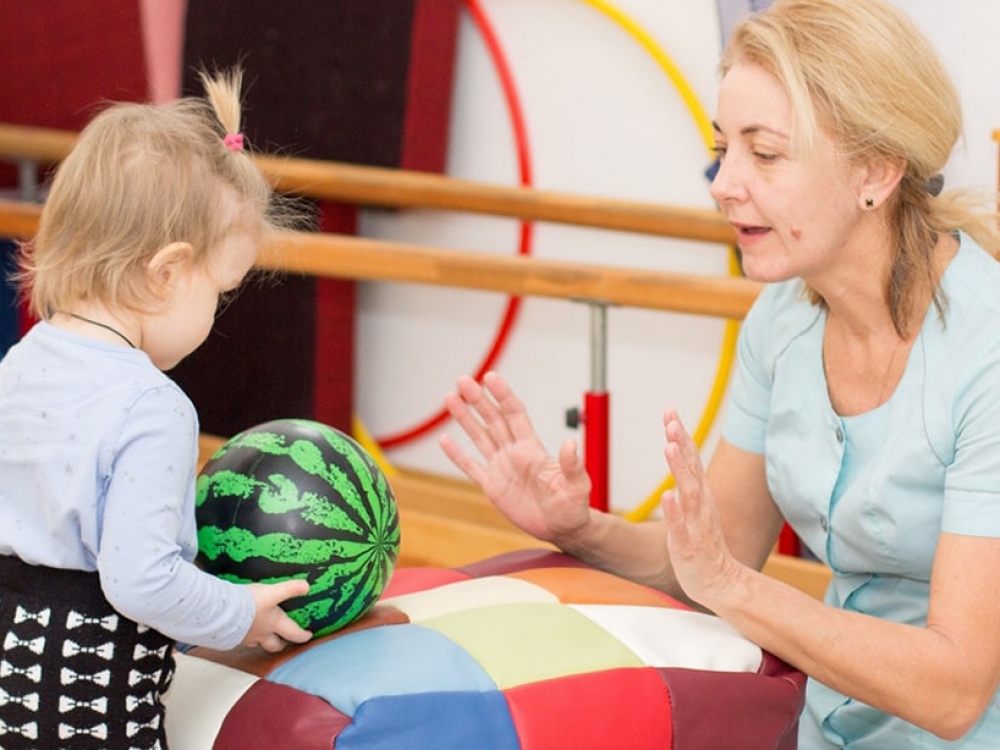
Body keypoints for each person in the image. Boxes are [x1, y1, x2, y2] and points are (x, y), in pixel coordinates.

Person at [440, 0, 1000, 746]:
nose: (722, 183)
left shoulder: (987, 350)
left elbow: (956, 688)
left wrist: (733, 586)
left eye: (764, 153)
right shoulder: (782, 320)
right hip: (828, 720)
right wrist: (581, 528)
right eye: (723, 147)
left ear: (875, 170)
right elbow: (714, 560)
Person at [0, 69, 311, 748]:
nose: (215, 314)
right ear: (167, 272)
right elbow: (141, 581)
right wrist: (238, 613)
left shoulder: (22, 360)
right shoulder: (151, 405)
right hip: (80, 695)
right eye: (219, 292)